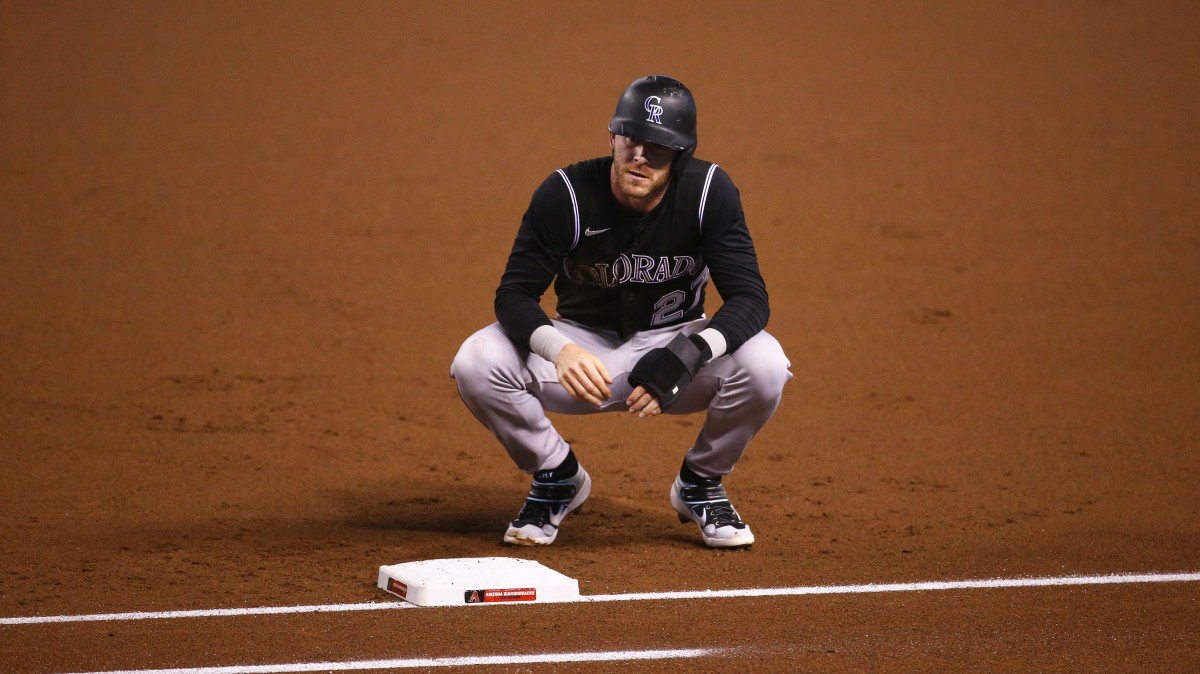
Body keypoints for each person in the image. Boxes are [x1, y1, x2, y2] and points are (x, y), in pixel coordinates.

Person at [451, 75, 791, 549]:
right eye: (631, 139)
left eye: (659, 147)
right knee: (476, 361)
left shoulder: (709, 193)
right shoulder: (565, 193)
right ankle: (557, 476)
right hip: (579, 347)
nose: (640, 157)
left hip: (677, 341)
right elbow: (514, 295)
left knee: (766, 363)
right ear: (612, 135)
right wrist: (559, 347)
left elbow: (750, 298)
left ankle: (701, 482)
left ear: (681, 154)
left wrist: (690, 353)